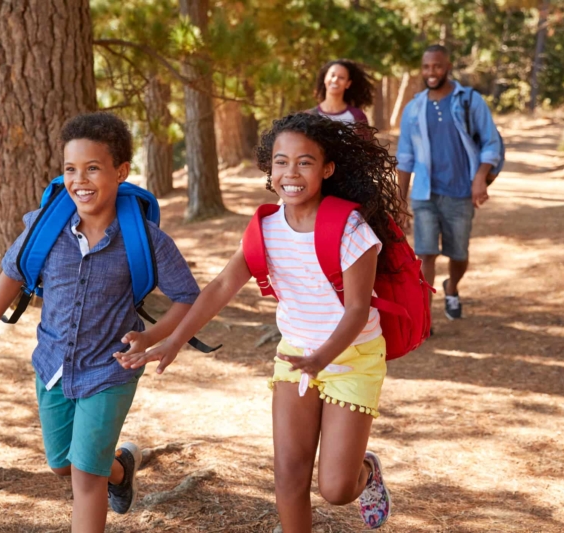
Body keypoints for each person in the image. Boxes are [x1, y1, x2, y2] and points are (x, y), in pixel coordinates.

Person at [116, 113, 410, 531]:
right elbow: (220, 286)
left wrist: (323, 358)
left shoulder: (350, 228)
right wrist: (175, 339)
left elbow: (358, 310)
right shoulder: (266, 229)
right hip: (295, 355)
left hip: (352, 356)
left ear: (326, 169)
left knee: (336, 489)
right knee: (288, 477)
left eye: (305, 162)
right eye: (281, 161)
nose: (291, 172)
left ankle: (365, 472)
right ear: (269, 169)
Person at [0, 112, 200, 533]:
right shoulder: (46, 229)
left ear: (121, 172)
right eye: (70, 169)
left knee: (84, 478)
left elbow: (188, 297)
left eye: (93, 168)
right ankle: (120, 469)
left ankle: (102, 471)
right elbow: (11, 273)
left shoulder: (145, 238)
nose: (80, 179)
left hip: (110, 370)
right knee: (62, 464)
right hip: (52, 366)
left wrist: (150, 336)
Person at [396, 44, 502, 322]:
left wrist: (480, 178)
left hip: (460, 192)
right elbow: (405, 158)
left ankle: (452, 287)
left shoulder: (469, 101)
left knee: (458, 254)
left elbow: (491, 143)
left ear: (448, 67)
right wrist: (399, 200)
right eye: (426, 67)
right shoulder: (414, 108)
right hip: (425, 194)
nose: (431, 72)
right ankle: (425, 318)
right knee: (425, 254)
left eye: (437, 66)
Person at [308, 59, 374, 129]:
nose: (335, 80)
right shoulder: (309, 116)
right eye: (332, 75)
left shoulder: (357, 116)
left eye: (341, 77)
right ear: (325, 78)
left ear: (348, 84)